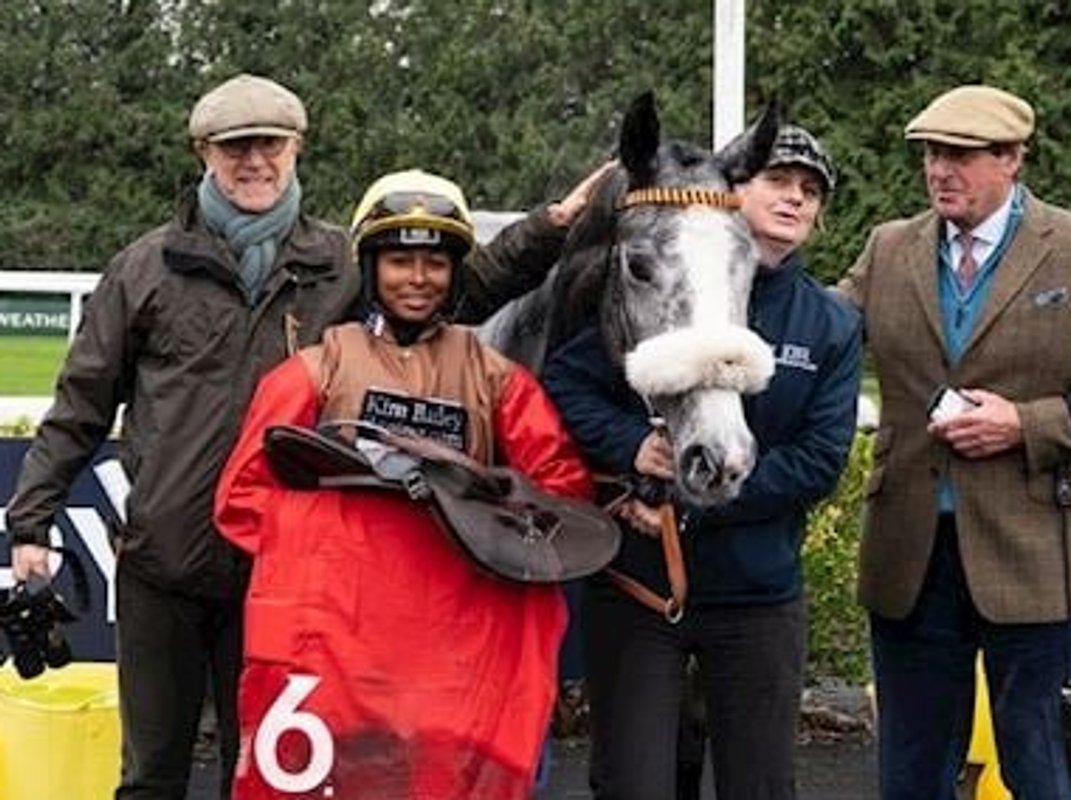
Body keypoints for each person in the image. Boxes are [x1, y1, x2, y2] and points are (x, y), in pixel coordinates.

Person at [3, 73, 602, 800]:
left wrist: (550, 228)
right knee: (151, 775)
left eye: (271, 145)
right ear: (203, 153)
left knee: (263, 773)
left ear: (297, 150)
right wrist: (31, 521)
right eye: (236, 148)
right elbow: (79, 406)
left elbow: (447, 284)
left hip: (282, 581)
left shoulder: (342, 262)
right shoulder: (144, 268)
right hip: (163, 563)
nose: (255, 161)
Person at [214, 168, 592, 799]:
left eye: (435, 263)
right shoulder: (314, 371)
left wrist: (478, 498)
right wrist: (358, 545)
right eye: (399, 261)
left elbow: (561, 494)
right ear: (370, 267)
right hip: (343, 643)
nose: (418, 279)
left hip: (452, 651)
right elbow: (241, 499)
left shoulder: (496, 379)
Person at [836, 84, 1071, 799]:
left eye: (959, 154)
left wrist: (1026, 423)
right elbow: (824, 334)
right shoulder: (888, 247)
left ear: (1012, 158)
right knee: (911, 776)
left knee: (1046, 774)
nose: (938, 170)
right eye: (929, 154)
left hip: (1043, 557)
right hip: (910, 558)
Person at [542, 125, 863, 799]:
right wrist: (631, 447)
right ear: (733, 192)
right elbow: (568, 383)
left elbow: (817, 462)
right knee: (633, 785)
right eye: (777, 181)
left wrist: (685, 495)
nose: (793, 200)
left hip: (758, 597)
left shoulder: (828, 323)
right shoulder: (658, 283)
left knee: (760, 786)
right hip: (640, 594)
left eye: (810, 192)